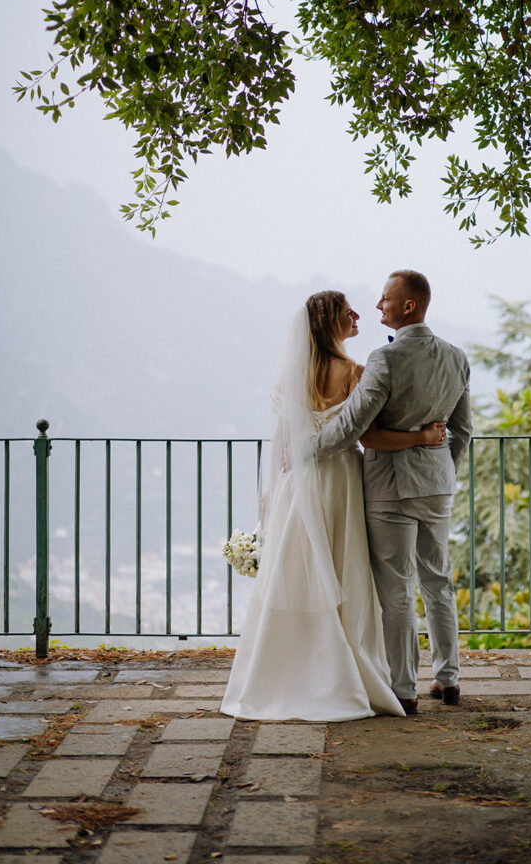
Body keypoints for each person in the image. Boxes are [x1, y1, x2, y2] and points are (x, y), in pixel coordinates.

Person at [220, 290, 446, 722]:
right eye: (348, 312)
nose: (358, 314)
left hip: (297, 485)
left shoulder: (292, 378)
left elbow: (286, 444)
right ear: (331, 323)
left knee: (298, 573)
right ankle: (344, 673)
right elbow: (369, 437)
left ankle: (286, 673)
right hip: (342, 480)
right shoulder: (354, 373)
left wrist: (272, 492)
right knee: (346, 572)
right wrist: (422, 437)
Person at [314, 270, 471, 715]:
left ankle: (404, 689)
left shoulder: (385, 360)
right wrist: (442, 471)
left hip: (389, 490)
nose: (378, 305)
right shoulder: (456, 357)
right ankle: (449, 679)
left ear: (407, 306)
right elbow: (463, 430)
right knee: (438, 581)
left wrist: (307, 451)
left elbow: (353, 425)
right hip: (437, 487)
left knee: (397, 590)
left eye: (385, 299)